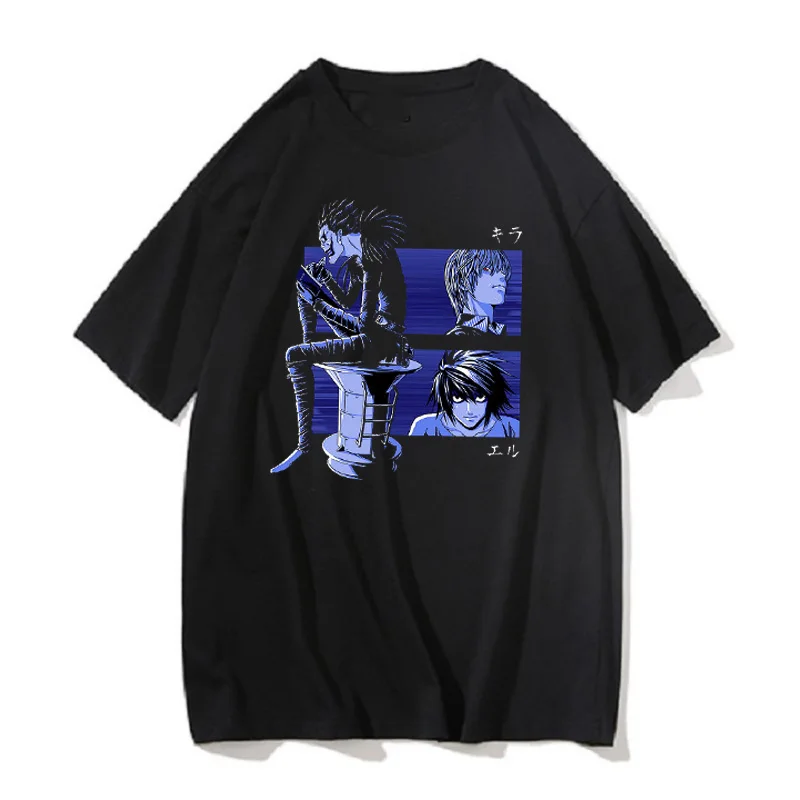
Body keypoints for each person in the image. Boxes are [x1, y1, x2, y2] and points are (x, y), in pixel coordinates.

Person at [271, 199, 410, 473]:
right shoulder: (361, 259)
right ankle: (309, 347)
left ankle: (303, 446)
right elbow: (347, 303)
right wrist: (324, 280)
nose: (323, 246)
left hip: (383, 340)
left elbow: (365, 324)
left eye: (325, 238)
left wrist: (319, 303)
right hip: (371, 333)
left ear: (339, 231)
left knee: (293, 354)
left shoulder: (374, 257)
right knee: (303, 286)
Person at [409, 350, 519, 437]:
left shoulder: (511, 428)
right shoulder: (426, 427)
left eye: (480, 397)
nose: (469, 410)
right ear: (446, 397)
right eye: (458, 398)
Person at [443, 249, 511, 335]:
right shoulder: (459, 335)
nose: (502, 275)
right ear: (463, 282)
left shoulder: (499, 331)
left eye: (503, 270)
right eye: (487, 269)